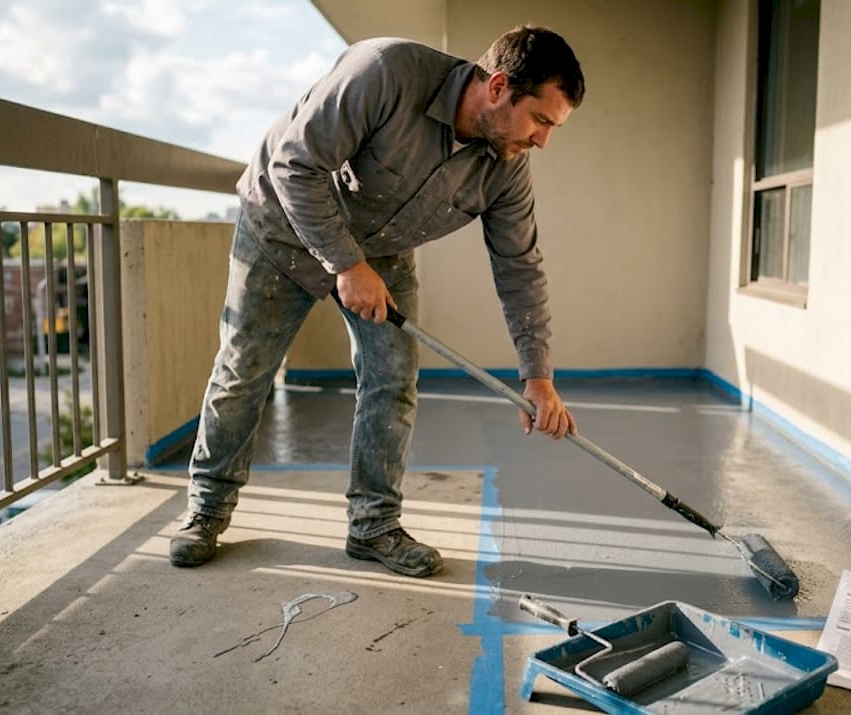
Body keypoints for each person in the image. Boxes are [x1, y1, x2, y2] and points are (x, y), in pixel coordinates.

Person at [169, 25, 585, 578]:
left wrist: (537, 377)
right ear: (499, 86)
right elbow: (294, 165)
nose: (543, 142)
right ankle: (207, 510)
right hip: (281, 225)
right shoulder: (384, 73)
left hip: (382, 248)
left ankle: (373, 526)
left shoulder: (506, 166)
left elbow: (519, 265)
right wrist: (345, 264)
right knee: (245, 369)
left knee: (393, 376)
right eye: (541, 121)